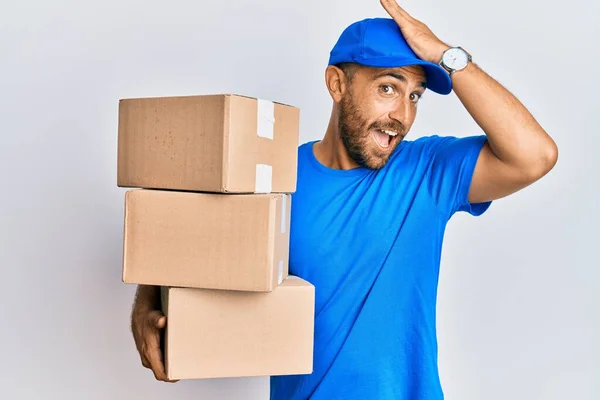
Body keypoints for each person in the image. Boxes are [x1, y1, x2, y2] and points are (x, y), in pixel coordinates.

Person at [129, 0, 558, 398]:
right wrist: (149, 305)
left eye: (414, 96)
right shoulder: (273, 177)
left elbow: (534, 155)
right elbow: (186, 245)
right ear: (337, 83)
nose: (403, 116)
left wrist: (446, 54)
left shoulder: (429, 170)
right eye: (388, 88)